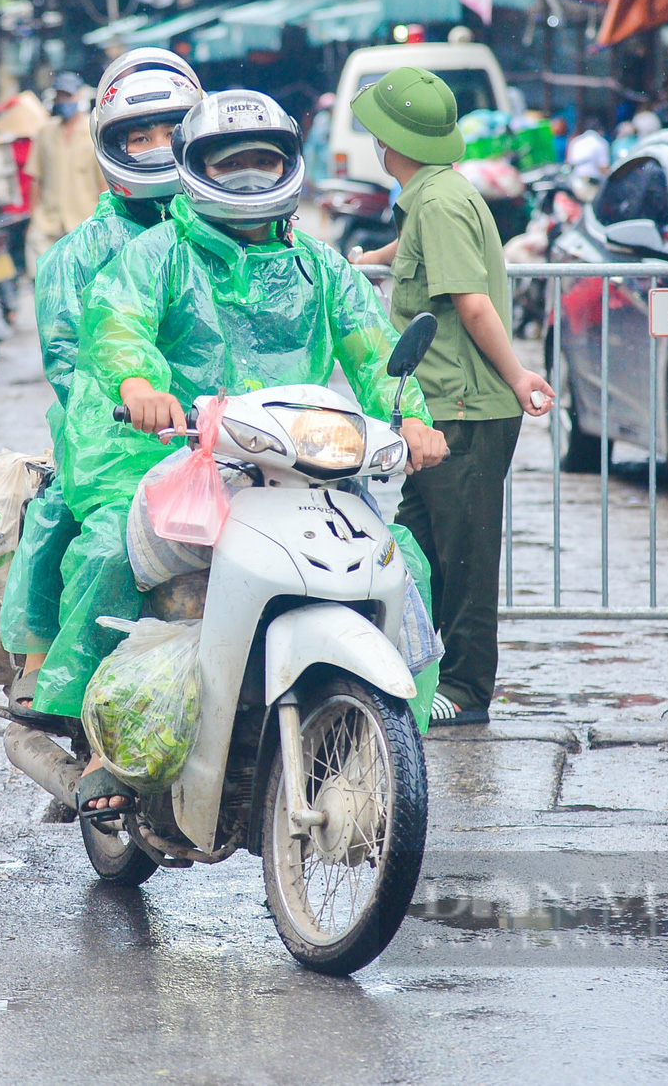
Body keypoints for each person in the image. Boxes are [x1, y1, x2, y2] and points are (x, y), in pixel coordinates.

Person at [46, 89, 450, 815]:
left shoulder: (320, 265)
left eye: (264, 161)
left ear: (291, 164)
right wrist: (139, 383)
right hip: (190, 462)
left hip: (300, 465)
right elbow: (119, 320)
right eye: (231, 163)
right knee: (110, 550)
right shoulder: (158, 252)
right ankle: (96, 744)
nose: (249, 178)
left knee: (404, 562)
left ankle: (390, 743)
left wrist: (409, 416)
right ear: (195, 167)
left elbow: (372, 348)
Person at [0, 48, 204, 722]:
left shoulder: (228, 233)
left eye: (168, 132)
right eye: (137, 137)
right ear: (109, 145)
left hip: (218, 431)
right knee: (72, 517)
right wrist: (123, 405)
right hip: (115, 429)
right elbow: (68, 363)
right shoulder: (76, 254)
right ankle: (45, 664)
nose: (154, 148)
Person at [351, 68, 554, 725]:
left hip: (465, 408)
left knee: (463, 558)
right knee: (414, 547)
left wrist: (520, 374)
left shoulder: (435, 203)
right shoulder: (432, 197)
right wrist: (358, 263)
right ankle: (405, 668)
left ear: (391, 143)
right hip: (438, 411)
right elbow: (409, 252)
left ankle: (466, 689)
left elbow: (471, 304)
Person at [23, 71, 104, 273]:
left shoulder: (94, 130)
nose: (63, 101)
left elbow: (103, 184)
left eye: (68, 96)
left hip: (85, 223)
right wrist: (34, 217)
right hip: (47, 224)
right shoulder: (45, 132)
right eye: (59, 96)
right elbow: (36, 179)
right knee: (44, 282)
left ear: (79, 97)